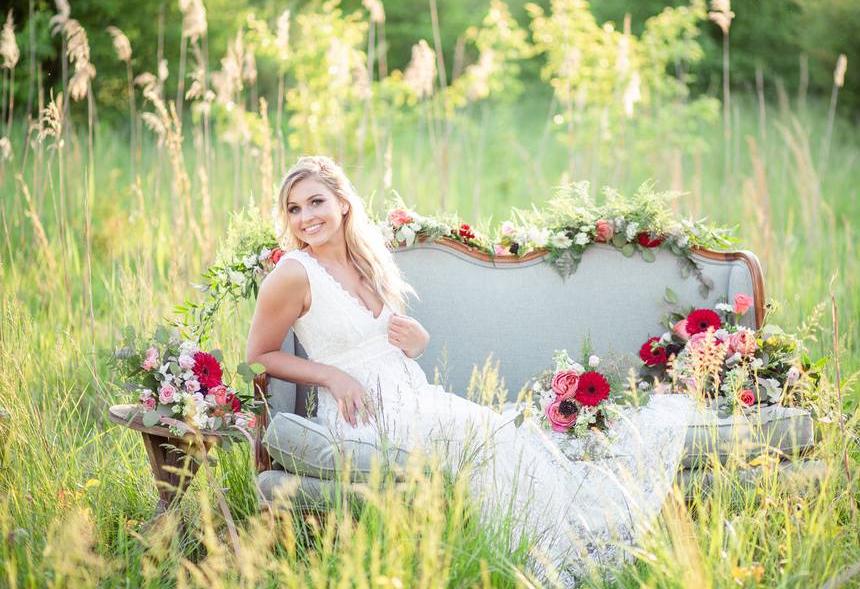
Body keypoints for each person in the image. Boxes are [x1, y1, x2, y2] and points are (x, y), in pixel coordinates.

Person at [246, 155, 694, 584]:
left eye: (316, 201)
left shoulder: (368, 262)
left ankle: (550, 555)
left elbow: (391, 343)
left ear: (343, 203)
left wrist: (417, 342)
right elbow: (260, 354)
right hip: (363, 415)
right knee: (489, 438)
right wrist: (331, 375)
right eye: (294, 208)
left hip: (414, 396)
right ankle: (540, 563)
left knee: (504, 436)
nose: (306, 216)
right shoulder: (294, 273)